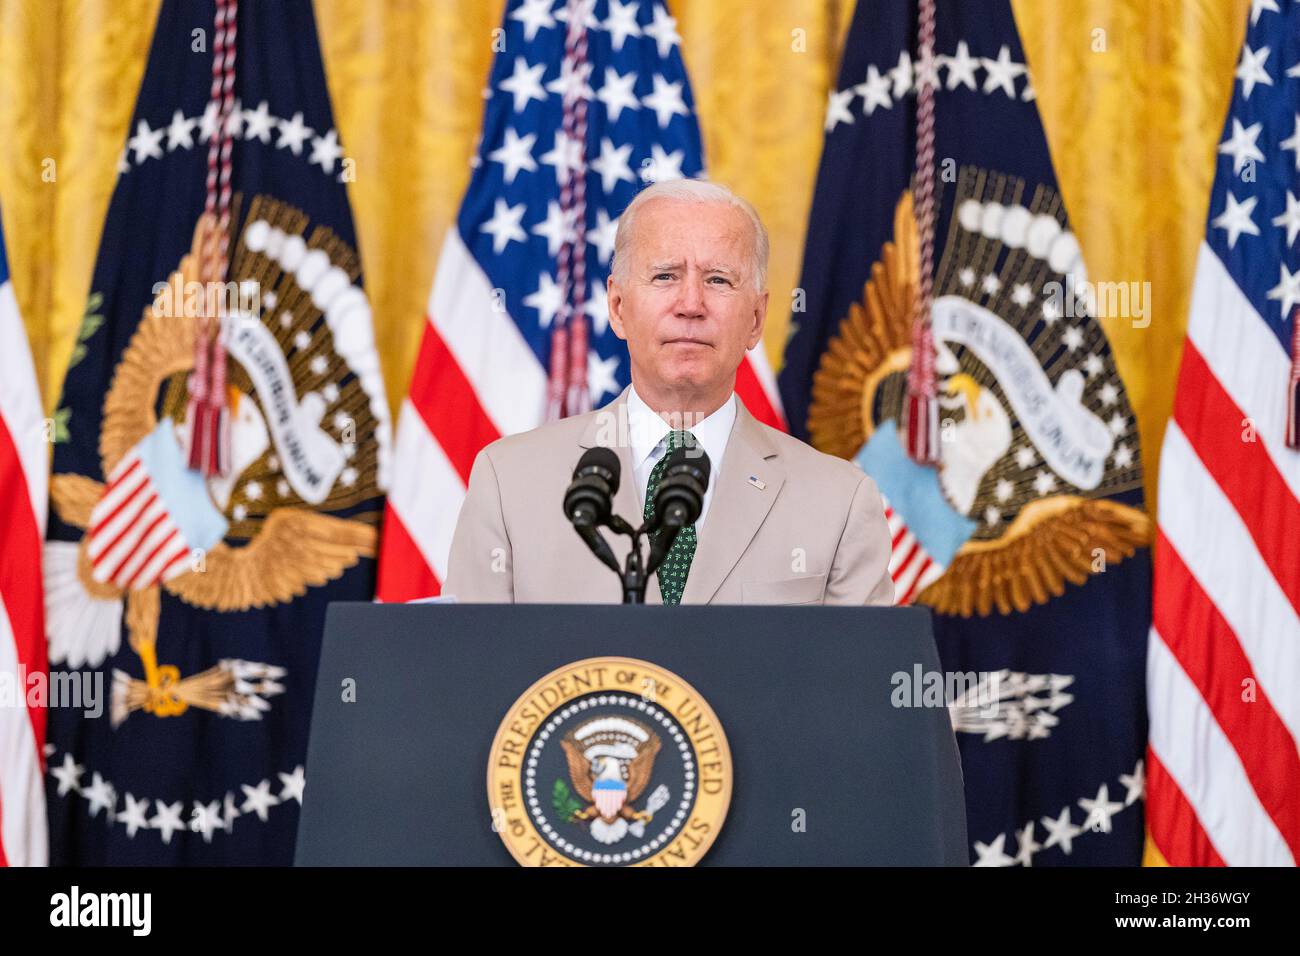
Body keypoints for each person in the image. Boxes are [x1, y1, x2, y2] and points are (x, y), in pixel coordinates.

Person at [443, 179, 893, 605]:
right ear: (618, 308)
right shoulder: (509, 482)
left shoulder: (841, 502)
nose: (691, 304)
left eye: (718, 279)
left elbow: (859, 682)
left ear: (756, 319)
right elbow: (471, 674)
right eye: (665, 277)